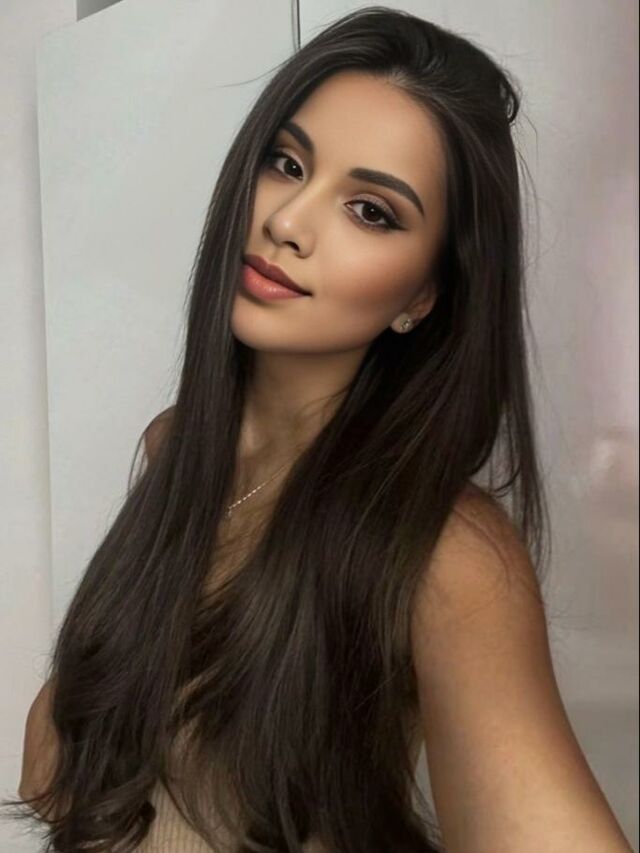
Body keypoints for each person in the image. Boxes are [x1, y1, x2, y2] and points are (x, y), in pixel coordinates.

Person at [5, 7, 632, 852]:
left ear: (423, 294)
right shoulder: (176, 445)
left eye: (371, 210)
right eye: (287, 162)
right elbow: (50, 772)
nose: (289, 221)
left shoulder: (445, 553)